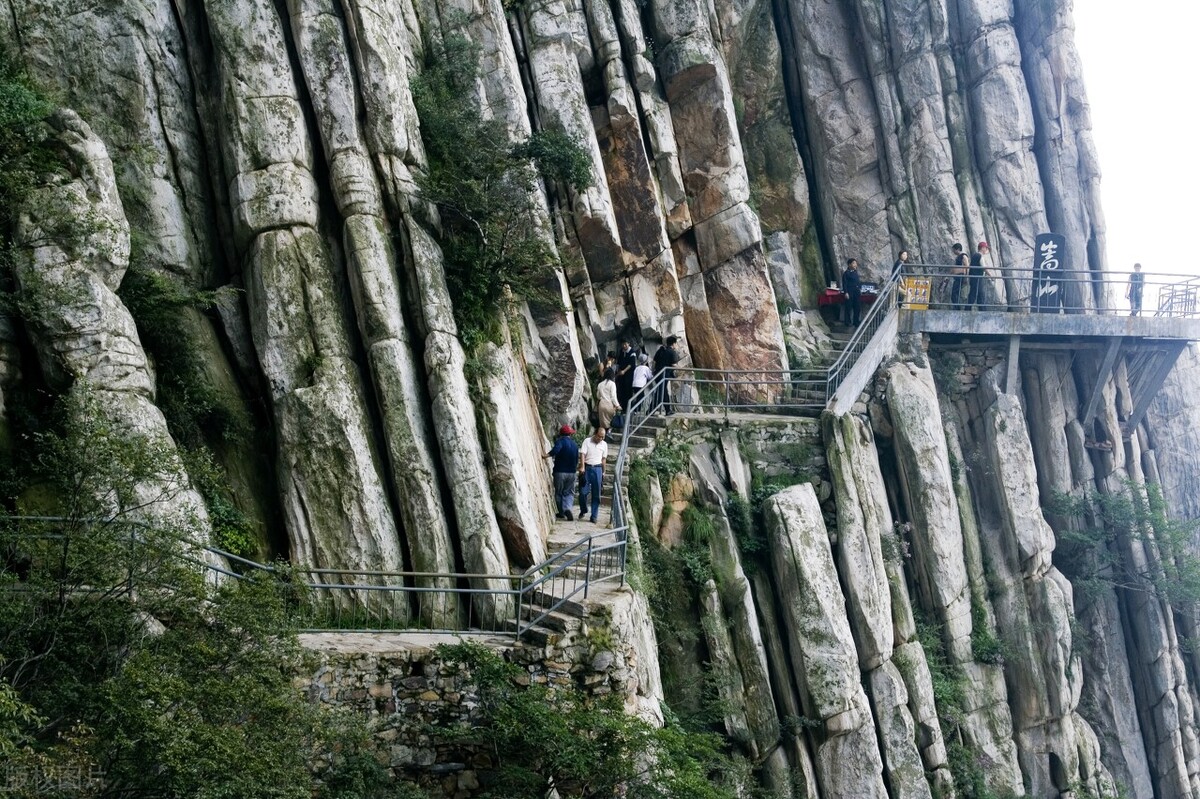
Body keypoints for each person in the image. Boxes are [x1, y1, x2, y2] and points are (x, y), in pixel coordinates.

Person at [543, 425, 579, 520]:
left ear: (561, 434)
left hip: (560, 472)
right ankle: (567, 508)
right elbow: (576, 459)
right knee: (569, 492)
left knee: (559, 492)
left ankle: (562, 513)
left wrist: (546, 455)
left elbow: (556, 450)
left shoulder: (560, 442)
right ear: (570, 434)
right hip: (572, 472)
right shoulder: (575, 445)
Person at [578, 426, 609, 524]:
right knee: (583, 492)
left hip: (598, 469)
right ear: (595, 434)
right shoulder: (587, 441)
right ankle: (583, 510)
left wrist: (604, 471)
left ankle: (594, 516)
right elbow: (582, 454)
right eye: (599, 436)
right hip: (587, 468)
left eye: (603, 437)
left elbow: (604, 459)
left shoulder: (604, 444)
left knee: (596, 494)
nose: (601, 439)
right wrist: (582, 466)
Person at [652, 336, 679, 414]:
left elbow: (654, 361)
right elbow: (674, 364)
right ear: (674, 344)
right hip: (665, 374)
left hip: (658, 373)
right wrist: (680, 368)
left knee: (662, 391)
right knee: (662, 392)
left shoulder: (661, 350)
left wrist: (653, 371)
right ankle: (652, 410)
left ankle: (666, 410)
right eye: (676, 343)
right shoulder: (672, 352)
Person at [966, 241, 990, 309]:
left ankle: (969, 308)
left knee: (975, 293)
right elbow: (984, 268)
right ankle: (981, 310)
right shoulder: (980, 256)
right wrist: (991, 276)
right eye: (985, 248)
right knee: (978, 294)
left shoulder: (974, 255)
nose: (986, 250)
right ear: (982, 248)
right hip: (978, 278)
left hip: (973, 277)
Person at [616, 340, 637, 410]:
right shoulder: (622, 351)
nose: (624, 346)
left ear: (628, 343)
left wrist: (624, 371)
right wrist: (619, 371)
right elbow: (619, 362)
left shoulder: (632, 352)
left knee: (628, 390)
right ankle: (622, 407)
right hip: (621, 374)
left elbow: (631, 364)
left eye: (625, 344)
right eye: (623, 344)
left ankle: (628, 408)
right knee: (621, 390)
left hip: (629, 374)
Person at [841, 258, 862, 327]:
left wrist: (860, 289)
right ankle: (847, 322)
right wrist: (846, 292)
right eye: (853, 263)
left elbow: (858, 282)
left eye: (855, 263)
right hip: (850, 291)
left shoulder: (855, 272)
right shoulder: (846, 273)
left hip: (856, 291)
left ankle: (856, 321)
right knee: (848, 307)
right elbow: (845, 284)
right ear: (849, 264)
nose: (855, 265)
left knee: (857, 307)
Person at [949, 243, 968, 309]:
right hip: (957, 277)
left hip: (960, 276)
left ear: (958, 249)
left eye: (954, 250)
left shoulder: (963, 256)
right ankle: (956, 307)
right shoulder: (958, 257)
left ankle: (957, 308)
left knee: (955, 293)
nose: (953, 251)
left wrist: (966, 277)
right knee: (955, 293)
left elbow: (966, 267)